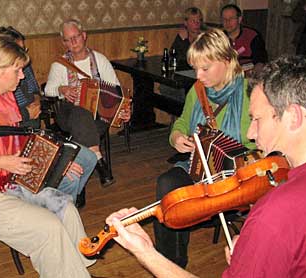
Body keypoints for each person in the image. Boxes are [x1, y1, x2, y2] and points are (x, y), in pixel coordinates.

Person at [106, 54, 306, 277]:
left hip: (235, 173)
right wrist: (254, 249)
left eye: (257, 119)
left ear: (293, 117)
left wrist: (144, 252)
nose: (251, 131)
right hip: (203, 169)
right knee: (169, 183)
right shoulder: (282, 205)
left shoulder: (274, 213)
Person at [0, 34, 95, 277]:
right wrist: (0, 162)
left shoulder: (5, 100)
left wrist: (59, 164)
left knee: (67, 210)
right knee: (48, 227)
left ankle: (76, 270)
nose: (23, 76)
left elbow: (23, 147)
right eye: (18, 70)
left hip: (8, 184)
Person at [153, 28, 256, 269]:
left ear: (227, 60)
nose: (198, 75)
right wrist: (177, 136)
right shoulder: (197, 91)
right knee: (167, 188)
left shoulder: (250, 93)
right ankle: (172, 265)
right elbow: (180, 121)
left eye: (205, 68)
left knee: (184, 200)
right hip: (200, 169)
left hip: (237, 178)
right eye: (196, 68)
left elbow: (265, 144)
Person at [0, 25, 97, 208]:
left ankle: (64, 204)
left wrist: (36, 103)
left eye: (24, 50)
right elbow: (4, 132)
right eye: (19, 51)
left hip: (34, 132)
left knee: (89, 158)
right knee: (70, 176)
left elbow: (35, 90)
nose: (22, 72)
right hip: (20, 146)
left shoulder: (23, 68)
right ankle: (60, 210)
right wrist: (25, 113)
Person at [44, 18, 130, 187]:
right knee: (80, 112)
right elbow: (48, 90)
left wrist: (124, 110)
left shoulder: (100, 60)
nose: (73, 42)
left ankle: (80, 187)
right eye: (68, 39)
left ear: (84, 36)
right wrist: (62, 89)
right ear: (64, 43)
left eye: (76, 36)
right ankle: (99, 159)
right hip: (68, 115)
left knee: (84, 124)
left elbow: (116, 90)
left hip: (98, 116)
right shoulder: (60, 64)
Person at [160, 7, 206, 103]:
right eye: (193, 20)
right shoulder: (182, 36)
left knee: (187, 90)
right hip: (184, 75)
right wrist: (182, 40)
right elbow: (173, 57)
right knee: (165, 87)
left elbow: (194, 59)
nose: (197, 23)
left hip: (201, 75)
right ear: (186, 23)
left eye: (199, 20)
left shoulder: (204, 37)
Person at [221, 4, 268, 75]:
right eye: (224, 19)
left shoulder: (252, 35)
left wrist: (252, 76)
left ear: (239, 19)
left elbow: (260, 62)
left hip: (249, 77)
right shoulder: (218, 38)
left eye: (231, 18)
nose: (227, 22)